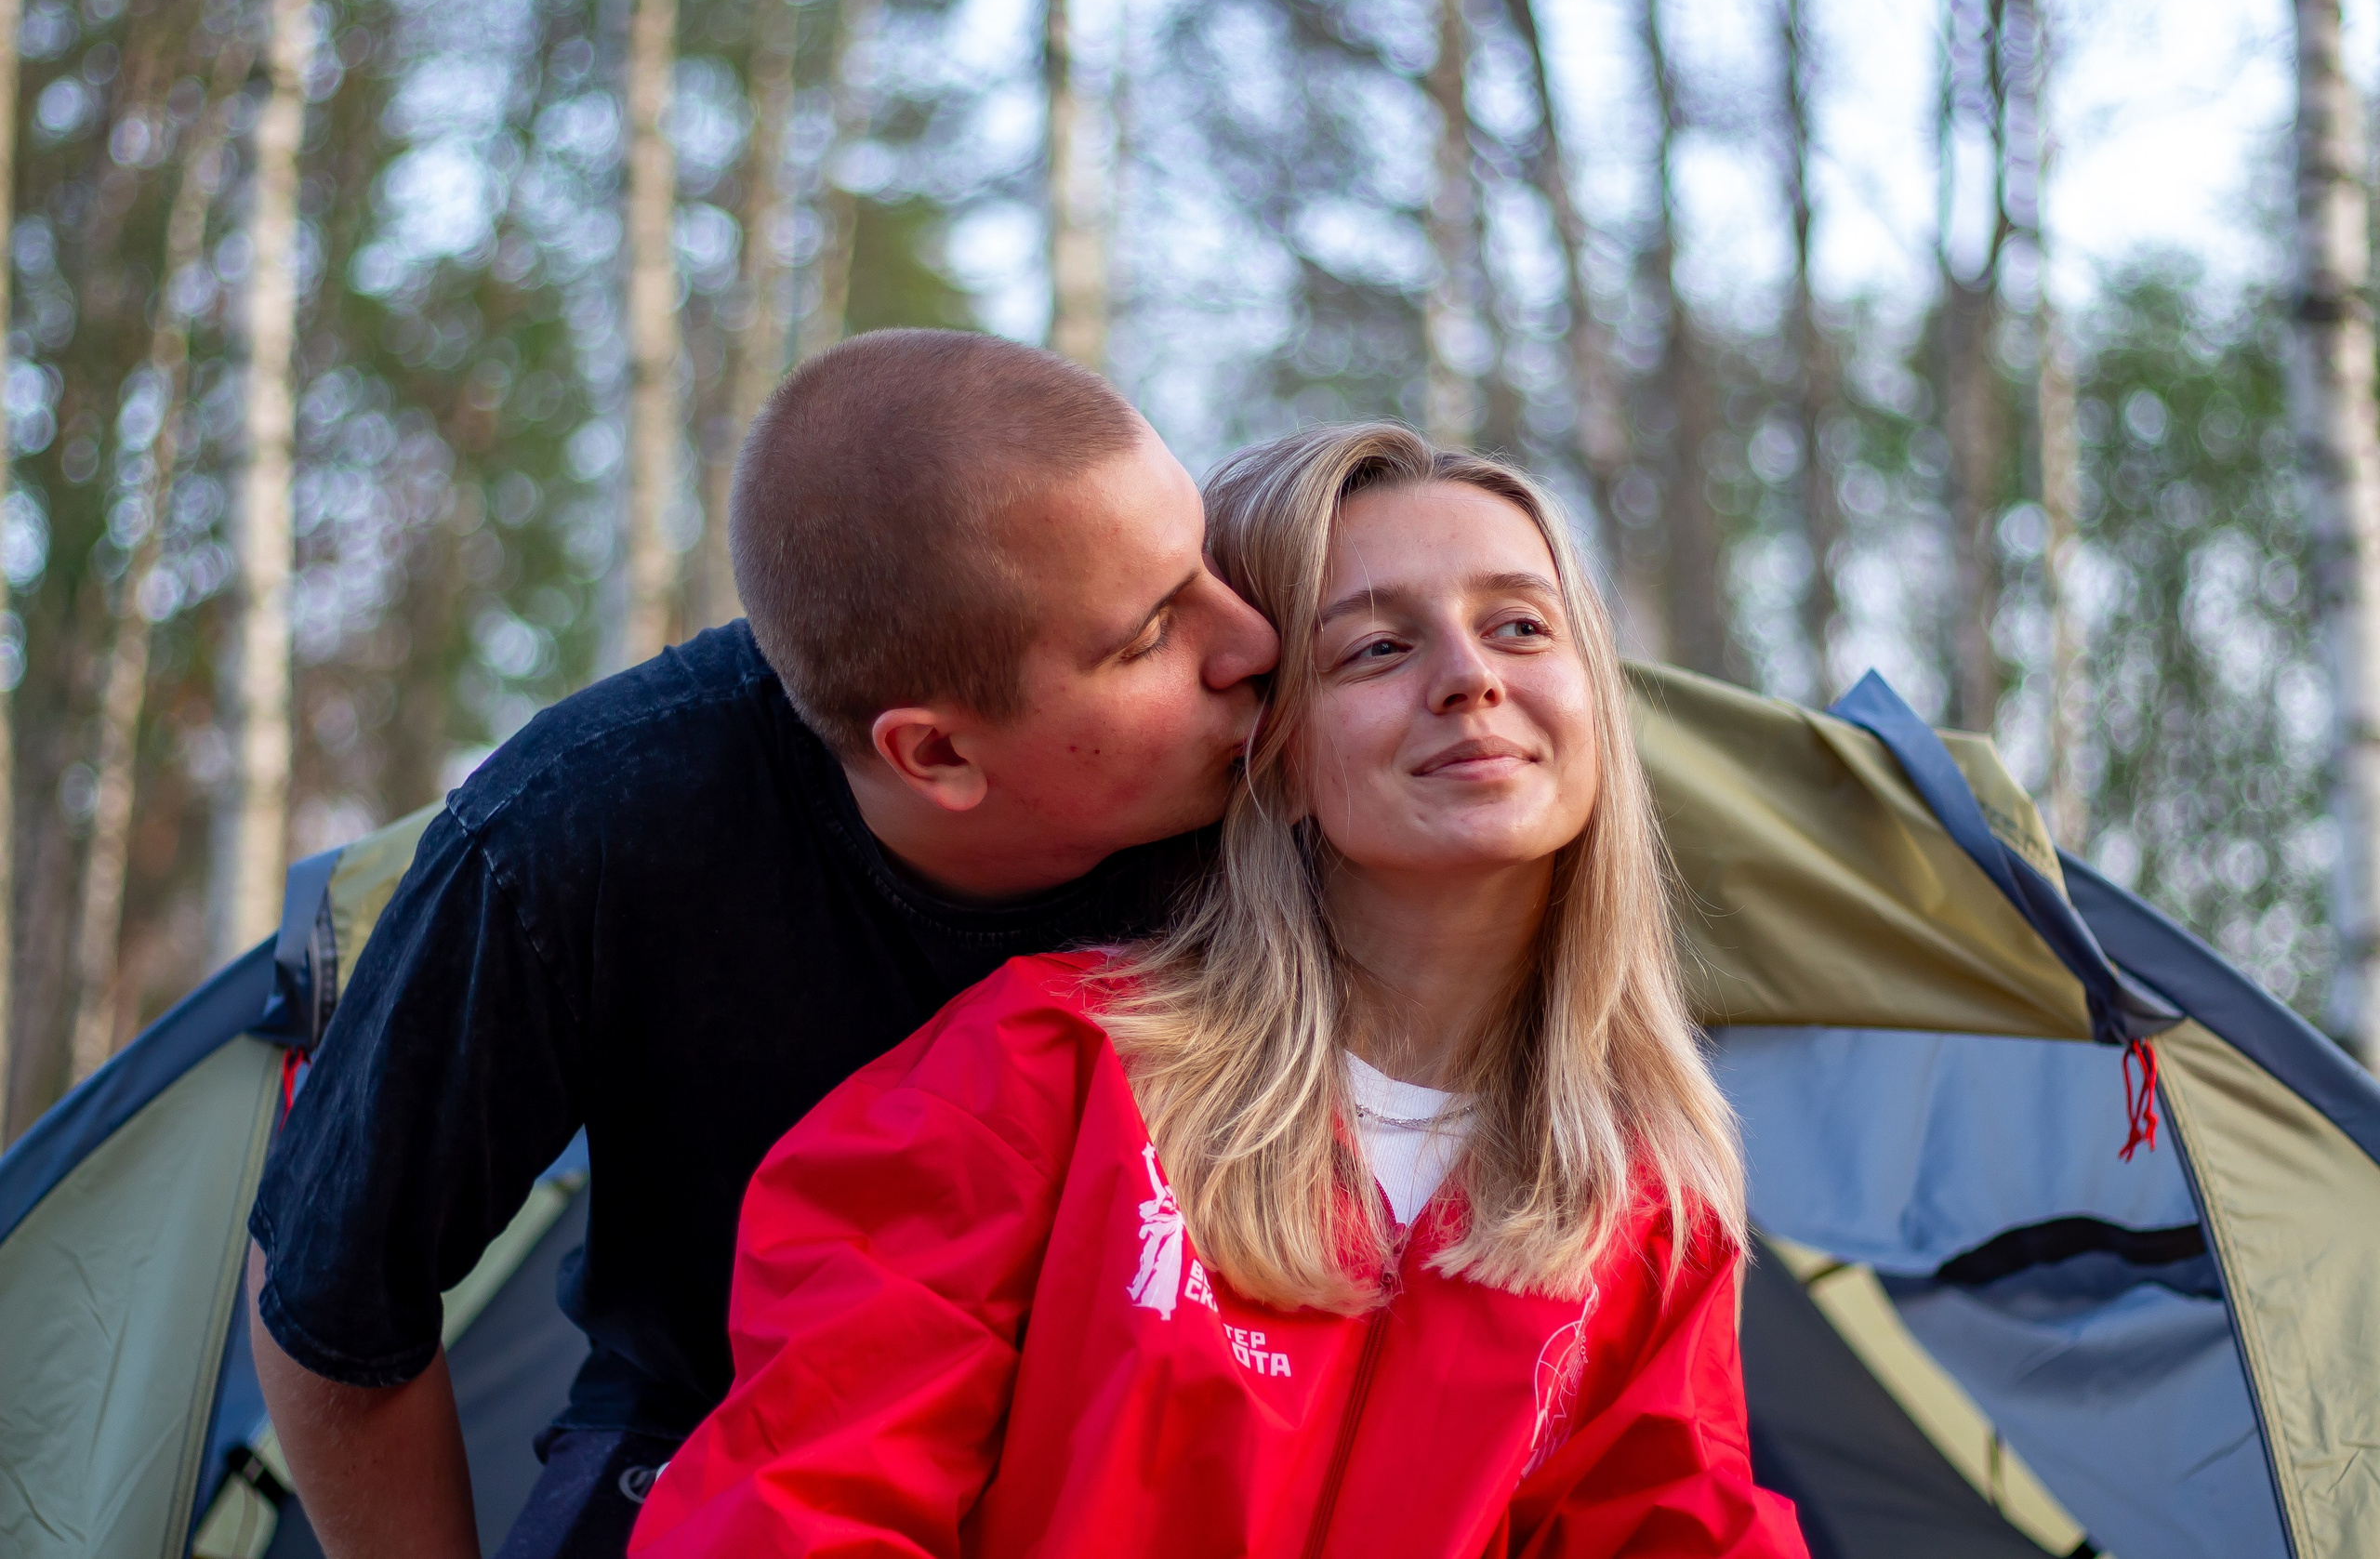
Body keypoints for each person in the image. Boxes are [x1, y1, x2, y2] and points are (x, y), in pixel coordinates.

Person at [628, 425, 1809, 1558]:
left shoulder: (1637, 1194)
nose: (1468, 679)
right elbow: (795, 1509)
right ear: (1270, 746)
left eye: (1517, 625)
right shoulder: (1039, 1077)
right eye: (1377, 649)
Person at [244, 328, 1280, 1559]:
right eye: (1150, 632)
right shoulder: (576, 836)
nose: (1253, 641)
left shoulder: (1295, 782)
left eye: (1204, 559)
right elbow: (331, 1308)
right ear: (935, 752)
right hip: (711, 1422)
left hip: (1166, 1434)